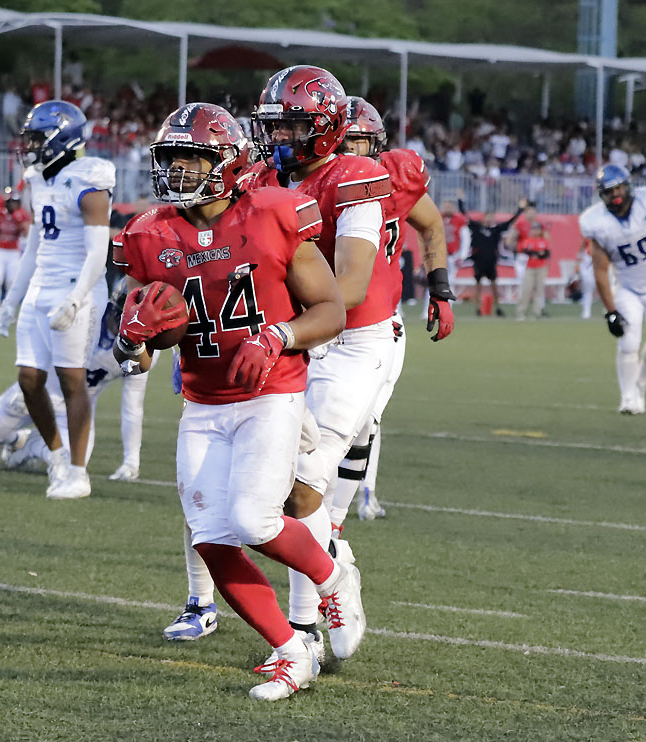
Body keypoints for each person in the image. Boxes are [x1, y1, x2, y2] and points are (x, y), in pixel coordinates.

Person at [113, 101, 358, 701]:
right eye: (169, 160)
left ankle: (334, 578)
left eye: (190, 160)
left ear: (224, 160)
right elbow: (143, 339)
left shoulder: (273, 214)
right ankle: (291, 652)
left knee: (254, 519)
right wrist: (130, 346)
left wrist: (278, 335)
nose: (177, 173)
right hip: (203, 399)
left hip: (271, 391)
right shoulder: (151, 234)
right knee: (211, 537)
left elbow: (330, 309)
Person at [209, 67, 391, 661]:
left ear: (326, 128)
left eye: (290, 123)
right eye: (272, 123)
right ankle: (318, 597)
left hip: (352, 340)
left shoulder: (356, 174)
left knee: (303, 485)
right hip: (287, 339)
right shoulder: (262, 177)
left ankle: (320, 601)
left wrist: (282, 327)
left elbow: (353, 287)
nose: (277, 135)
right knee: (273, 487)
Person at [340, 97, 456, 523]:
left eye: (359, 142)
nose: (351, 151)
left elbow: (431, 224)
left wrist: (439, 288)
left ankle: (353, 503)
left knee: (364, 419)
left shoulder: (395, 175)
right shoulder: (310, 182)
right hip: (316, 322)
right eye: (343, 141)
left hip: (374, 325)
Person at [0, 100, 114, 500]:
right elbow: (34, 245)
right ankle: (57, 455)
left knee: (72, 379)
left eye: (37, 138)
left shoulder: (89, 179)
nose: (30, 145)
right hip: (43, 284)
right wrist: (11, 299)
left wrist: (77, 300)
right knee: (29, 378)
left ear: (62, 137)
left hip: (76, 285)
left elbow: (99, 252)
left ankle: (78, 473)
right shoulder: (39, 179)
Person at [0, 278, 158, 480]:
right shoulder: (89, 312)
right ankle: (15, 439)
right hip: (43, 391)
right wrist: (31, 385)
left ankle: (30, 446)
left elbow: (132, 406)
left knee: (73, 463)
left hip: (77, 406)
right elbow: (44, 343)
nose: (121, 324)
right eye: (121, 315)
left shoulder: (142, 352)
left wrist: (131, 461)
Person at [579, 164, 646, 414]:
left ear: (628, 186)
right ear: (601, 196)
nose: (615, 196)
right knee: (628, 343)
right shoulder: (596, 222)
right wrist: (610, 310)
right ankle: (628, 398)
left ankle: (640, 383)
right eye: (609, 192)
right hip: (626, 288)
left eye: (618, 189)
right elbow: (601, 270)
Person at [460, 191, 525, 316]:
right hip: (479, 260)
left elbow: (510, 221)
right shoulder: (477, 227)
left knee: (494, 285)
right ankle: (478, 308)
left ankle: (498, 308)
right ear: (484, 217)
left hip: (491, 261)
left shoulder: (496, 230)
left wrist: (520, 210)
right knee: (478, 285)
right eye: (488, 216)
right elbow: (465, 216)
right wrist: (460, 201)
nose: (490, 219)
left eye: (492, 217)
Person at [0, 188, 29, 309]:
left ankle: (8, 309)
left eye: (15, 202)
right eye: (10, 202)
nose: (13, 205)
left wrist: (19, 220)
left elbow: (26, 233)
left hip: (13, 251)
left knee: (11, 281)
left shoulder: (21, 215)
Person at [515, 221, 551, 321]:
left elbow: (546, 254)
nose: (535, 231)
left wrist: (537, 254)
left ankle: (537, 313)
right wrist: (538, 253)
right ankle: (521, 312)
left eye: (537, 229)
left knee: (539, 291)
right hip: (530, 268)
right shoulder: (528, 240)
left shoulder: (544, 241)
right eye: (533, 229)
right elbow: (527, 251)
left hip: (541, 268)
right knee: (526, 290)